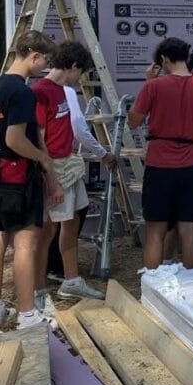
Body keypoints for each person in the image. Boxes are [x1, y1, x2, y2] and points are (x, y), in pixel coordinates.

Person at [0, 30, 57, 330]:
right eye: (45, 61)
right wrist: (42, 157)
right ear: (33, 56)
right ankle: (27, 315)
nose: (45, 68)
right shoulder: (23, 92)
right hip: (19, 174)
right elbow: (15, 138)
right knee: (26, 243)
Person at [32, 41, 112, 316]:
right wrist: (51, 178)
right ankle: (38, 293)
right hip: (54, 167)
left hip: (68, 164)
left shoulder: (60, 91)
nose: (80, 78)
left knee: (73, 219)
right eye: (81, 72)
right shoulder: (41, 91)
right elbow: (39, 139)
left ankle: (71, 279)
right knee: (47, 232)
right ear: (73, 65)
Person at [128, 38, 193, 270]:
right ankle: (191, 286)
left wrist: (148, 82)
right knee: (189, 228)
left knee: (155, 229)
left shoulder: (153, 87)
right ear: (188, 58)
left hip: (159, 161)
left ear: (163, 60)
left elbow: (134, 121)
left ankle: (151, 284)